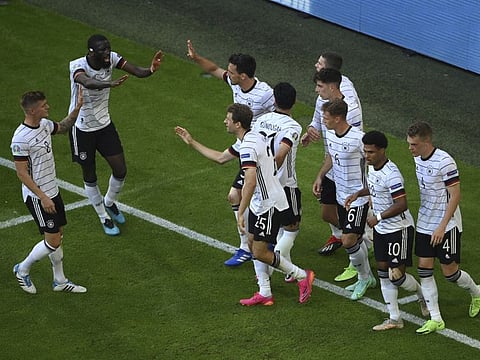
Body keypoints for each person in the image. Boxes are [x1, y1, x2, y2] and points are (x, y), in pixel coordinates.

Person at [187, 40, 275, 266]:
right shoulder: (235, 84)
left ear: (244, 75)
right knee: (236, 196)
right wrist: (196, 58)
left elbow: (282, 117)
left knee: (253, 197)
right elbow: (214, 69)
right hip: (244, 145)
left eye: (233, 72)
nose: (229, 74)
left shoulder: (265, 94)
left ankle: (259, 243)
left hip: (260, 151)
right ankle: (249, 244)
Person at [69, 34, 163, 236]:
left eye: (108, 49)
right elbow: (87, 83)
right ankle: (103, 216)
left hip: (104, 125)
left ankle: (109, 202)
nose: (107, 53)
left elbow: (137, 71)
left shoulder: (110, 58)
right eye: (102, 50)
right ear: (91, 51)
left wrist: (151, 69)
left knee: (120, 170)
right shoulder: (77, 65)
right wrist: (108, 84)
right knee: (90, 175)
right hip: (83, 128)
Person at [226, 103, 314, 306]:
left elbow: (250, 181)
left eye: (228, 118)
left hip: (268, 204)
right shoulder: (253, 135)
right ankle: (265, 292)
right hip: (261, 201)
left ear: (238, 124)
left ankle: (302, 276)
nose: (225, 121)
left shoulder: (249, 144)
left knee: (259, 251)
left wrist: (241, 212)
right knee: (250, 242)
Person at [346, 131, 428, 330]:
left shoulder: (392, 175)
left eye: (371, 152)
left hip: (399, 229)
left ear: (382, 150)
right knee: (383, 271)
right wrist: (359, 193)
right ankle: (395, 319)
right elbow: (374, 188)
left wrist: (378, 217)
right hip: (382, 229)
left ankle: (422, 296)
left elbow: (402, 204)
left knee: (396, 276)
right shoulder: (372, 167)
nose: (367, 155)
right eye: (365, 151)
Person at [406, 121, 480, 334]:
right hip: (424, 222)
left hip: (446, 225)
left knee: (450, 273)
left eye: (414, 144)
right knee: (424, 270)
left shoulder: (445, 161)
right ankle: (436, 318)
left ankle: (476, 293)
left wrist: (441, 226)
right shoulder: (418, 158)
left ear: (426, 142)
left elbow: (455, 195)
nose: (410, 148)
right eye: (409, 144)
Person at [11, 90, 86, 294]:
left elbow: (62, 127)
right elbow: (22, 173)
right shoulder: (20, 139)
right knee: (52, 241)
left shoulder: (44, 125)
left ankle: (59, 281)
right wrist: (43, 197)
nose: (48, 107)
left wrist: (77, 107)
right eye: (44, 105)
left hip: (52, 190)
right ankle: (22, 269)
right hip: (38, 196)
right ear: (33, 110)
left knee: (58, 235)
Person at [302, 52, 362, 260]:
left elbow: (355, 143)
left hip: (350, 170)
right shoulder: (323, 99)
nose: (316, 90)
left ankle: (357, 237)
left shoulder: (349, 108)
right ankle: (347, 235)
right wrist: (310, 130)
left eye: (319, 86)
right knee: (328, 213)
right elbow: (317, 120)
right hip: (332, 162)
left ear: (332, 85)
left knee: (352, 217)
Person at [313, 99, 375, 301]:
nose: (324, 120)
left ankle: (364, 278)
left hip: (357, 198)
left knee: (348, 240)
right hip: (341, 196)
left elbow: (374, 164)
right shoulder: (331, 134)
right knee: (355, 238)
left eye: (326, 117)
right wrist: (320, 176)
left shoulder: (359, 139)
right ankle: (368, 277)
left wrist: (372, 194)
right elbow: (331, 157)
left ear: (338, 118)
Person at [251, 82, 302, 283]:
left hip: (261, 186)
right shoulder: (293, 126)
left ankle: (274, 274)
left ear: (274, 100)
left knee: (272, 228)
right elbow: (281, 155)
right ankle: (284, 265)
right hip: (285, 185)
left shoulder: (261, 120)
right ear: (294, 102)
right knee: (291, 226)